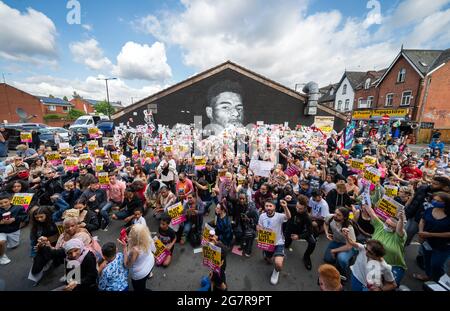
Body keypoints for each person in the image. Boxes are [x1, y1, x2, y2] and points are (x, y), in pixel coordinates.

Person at [363, 203, 407, 286]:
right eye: (386, 224)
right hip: (375, 262)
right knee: (373, 285)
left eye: (391, 226)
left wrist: (400, 220)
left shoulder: (399, 236)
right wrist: (366, 200)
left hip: (393, 266)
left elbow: (400, 229)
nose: (387, 226)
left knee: (389, 286)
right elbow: (371, 212)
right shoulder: (380, 226)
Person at [413, 192, 450, 282]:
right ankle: (428, 275)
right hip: (427, 242)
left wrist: (430, 234)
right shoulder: (430, 210)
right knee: (427, 261)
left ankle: (439, 281)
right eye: (434, 200)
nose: (435, 202)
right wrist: (421, 231)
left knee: (436, 264)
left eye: (438, 201)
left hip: (443, 246)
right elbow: (422, 220)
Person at [257, 200, 291, 285]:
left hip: (279, 242)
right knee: (269, 260)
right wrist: (259, 230)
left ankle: (276, 272)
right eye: (266, 206)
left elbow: (288, 217)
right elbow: (259, 226)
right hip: (267, 242)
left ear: (274, 207)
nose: (268, 207)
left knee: (278, 264)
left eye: (270, 206)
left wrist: (285, 206)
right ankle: (268, 256)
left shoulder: (279, 216)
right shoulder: (262, 216)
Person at [118, 224, 155, 291]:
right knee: (143, 283)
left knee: (138, 288)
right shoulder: (147, 237)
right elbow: (153, 249)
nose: (128, 236)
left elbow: (127, 265)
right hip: (150, 262)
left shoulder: (135, 250)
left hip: (140, 273)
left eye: (130, 234)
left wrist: (124, 248)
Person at [284, 195, 316, 270]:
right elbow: (282, 203)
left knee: (313, 242)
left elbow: (310, 231)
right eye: (297, 207)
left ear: (305, 208)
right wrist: (284, 199)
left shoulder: (307, 217)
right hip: (290, 229)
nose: (297, 209)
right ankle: (287, 242)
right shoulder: (293, 206)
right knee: (286, 245)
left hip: (301, 232)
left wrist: (299, 236)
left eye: (300, 209)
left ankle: (307, 257)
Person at [323, 207, 357, 276]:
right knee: (328, 259)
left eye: (338, 215)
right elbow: (325, 223)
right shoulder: (331, 217)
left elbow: (350, 246)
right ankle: (340, 254)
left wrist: (334, 251)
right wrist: (327, 233)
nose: (335, 215)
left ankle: (343, 272)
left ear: (344, 217)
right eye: (335, 213)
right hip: (336, 241)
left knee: (342, 259)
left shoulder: (349, 228)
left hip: (348, 245)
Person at [0, 192, 28, 265]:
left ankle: (11, 243)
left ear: (10, 200)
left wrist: (14, 219)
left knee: (13, 246)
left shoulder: (18, 207)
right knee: (1, 242)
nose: (3, 205)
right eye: (1, 203)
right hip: (1, 230)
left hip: (13, 230)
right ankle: (2, 256)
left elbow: (26, 218)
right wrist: (1, 222)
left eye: (5, 202)